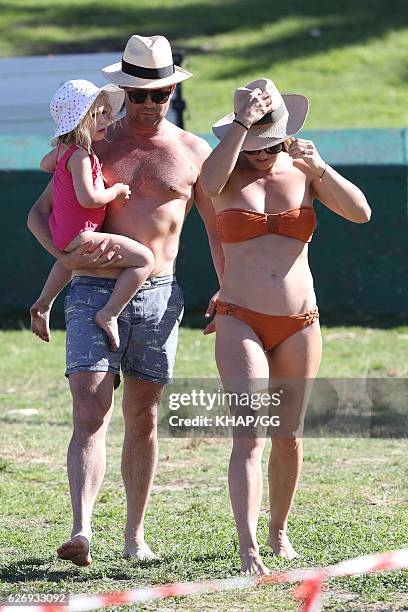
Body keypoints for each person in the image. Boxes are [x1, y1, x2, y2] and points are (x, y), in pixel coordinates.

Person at [27, 34, 223, 567]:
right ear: (122, 92)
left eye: (158, 94)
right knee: (90, 409)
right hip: (93, 290)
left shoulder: (193, 151)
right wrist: (69, 257)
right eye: (138, 94)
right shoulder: (91, 144)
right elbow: (40, 215)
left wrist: (227, 290)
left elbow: (214, 229)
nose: (148, 104)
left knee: (143, 416)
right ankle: (81, 531)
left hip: (160, 295)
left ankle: (135, 537)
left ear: (171, 94)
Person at [201, 78, 371, 574]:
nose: (262, 152)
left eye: (269, 140)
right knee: (249, 435)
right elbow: (208, 186)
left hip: (301, 321)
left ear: (287, 132)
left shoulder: (303, 169)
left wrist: (321, 168)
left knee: (288, 435)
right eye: (254, 141)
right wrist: (239, 129)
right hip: (240, 317)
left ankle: (278, 532)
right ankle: (249, 546)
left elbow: (361, 212)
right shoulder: (225, 171)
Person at [30, 79, 155, 351]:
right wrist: (117, 192)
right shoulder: (82, 157)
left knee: (67, 263)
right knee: (145, 260)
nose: (107, 120)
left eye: (107, 113)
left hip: (65, 234)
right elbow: (89, 199)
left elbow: (43, 164)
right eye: (97, 115)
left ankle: (43, 304)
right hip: (82, 235)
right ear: (78, 122)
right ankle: (109, 313)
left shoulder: (65, 151)